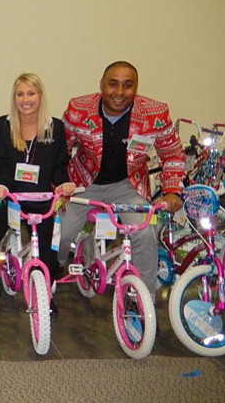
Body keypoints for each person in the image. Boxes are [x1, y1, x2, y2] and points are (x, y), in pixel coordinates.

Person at [57, 60, 185, 297]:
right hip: (83, 184)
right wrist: (60, 186)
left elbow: (173, 154)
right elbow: (60, 151)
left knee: (145, 233)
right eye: (112, 84)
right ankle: (53, 272)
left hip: (128, 185)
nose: (119, 92)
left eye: (128, 85)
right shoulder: (78, 108)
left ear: (136, 88)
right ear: (101, 85)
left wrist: (172, 190)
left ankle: (141, 298)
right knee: (59, 233)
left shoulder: (155, 113)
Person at [0, 73, 75, 314]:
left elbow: (60, 166)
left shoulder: (55, 127)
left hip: (41, 200)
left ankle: (44, 294)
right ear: (14, 98)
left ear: (40, 96)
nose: (25, 99)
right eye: (20, 94)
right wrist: (3, 186)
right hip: (8, 198)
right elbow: (2, 163)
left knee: (49, 260)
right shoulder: (3, 124)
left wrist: (64, 184)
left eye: (31, 93)